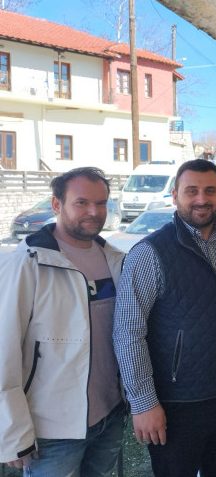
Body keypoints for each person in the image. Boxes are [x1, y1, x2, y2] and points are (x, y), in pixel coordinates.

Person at [113, 159, 216, 477]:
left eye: (210, 191)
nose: (201, 199)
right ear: (175, 196)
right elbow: (128, 332)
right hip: (177, 404)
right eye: (191, 191)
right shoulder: (149, 252)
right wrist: (143, 402)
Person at [0, 167, 126, 474]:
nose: (94, 212)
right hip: (52, 429)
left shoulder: (115, 260)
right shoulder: (27, 263)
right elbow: (4, 349)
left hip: (109, 415)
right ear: (57, 204)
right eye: (82, 202)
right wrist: (12, 431)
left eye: (101, 203)